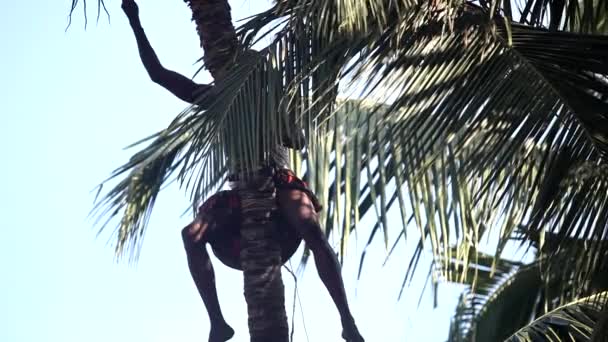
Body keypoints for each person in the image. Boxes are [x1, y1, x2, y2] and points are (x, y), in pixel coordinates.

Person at [121, 1, 365, 341]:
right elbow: (158, 74)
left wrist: (272, 104)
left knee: (314, 232)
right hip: (238, 195)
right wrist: (135, 21)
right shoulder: (215, 99)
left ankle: (347, 321)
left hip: (278, 182)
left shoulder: (277, 102)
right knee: (190, 236)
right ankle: (218, 323)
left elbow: (296, 138)